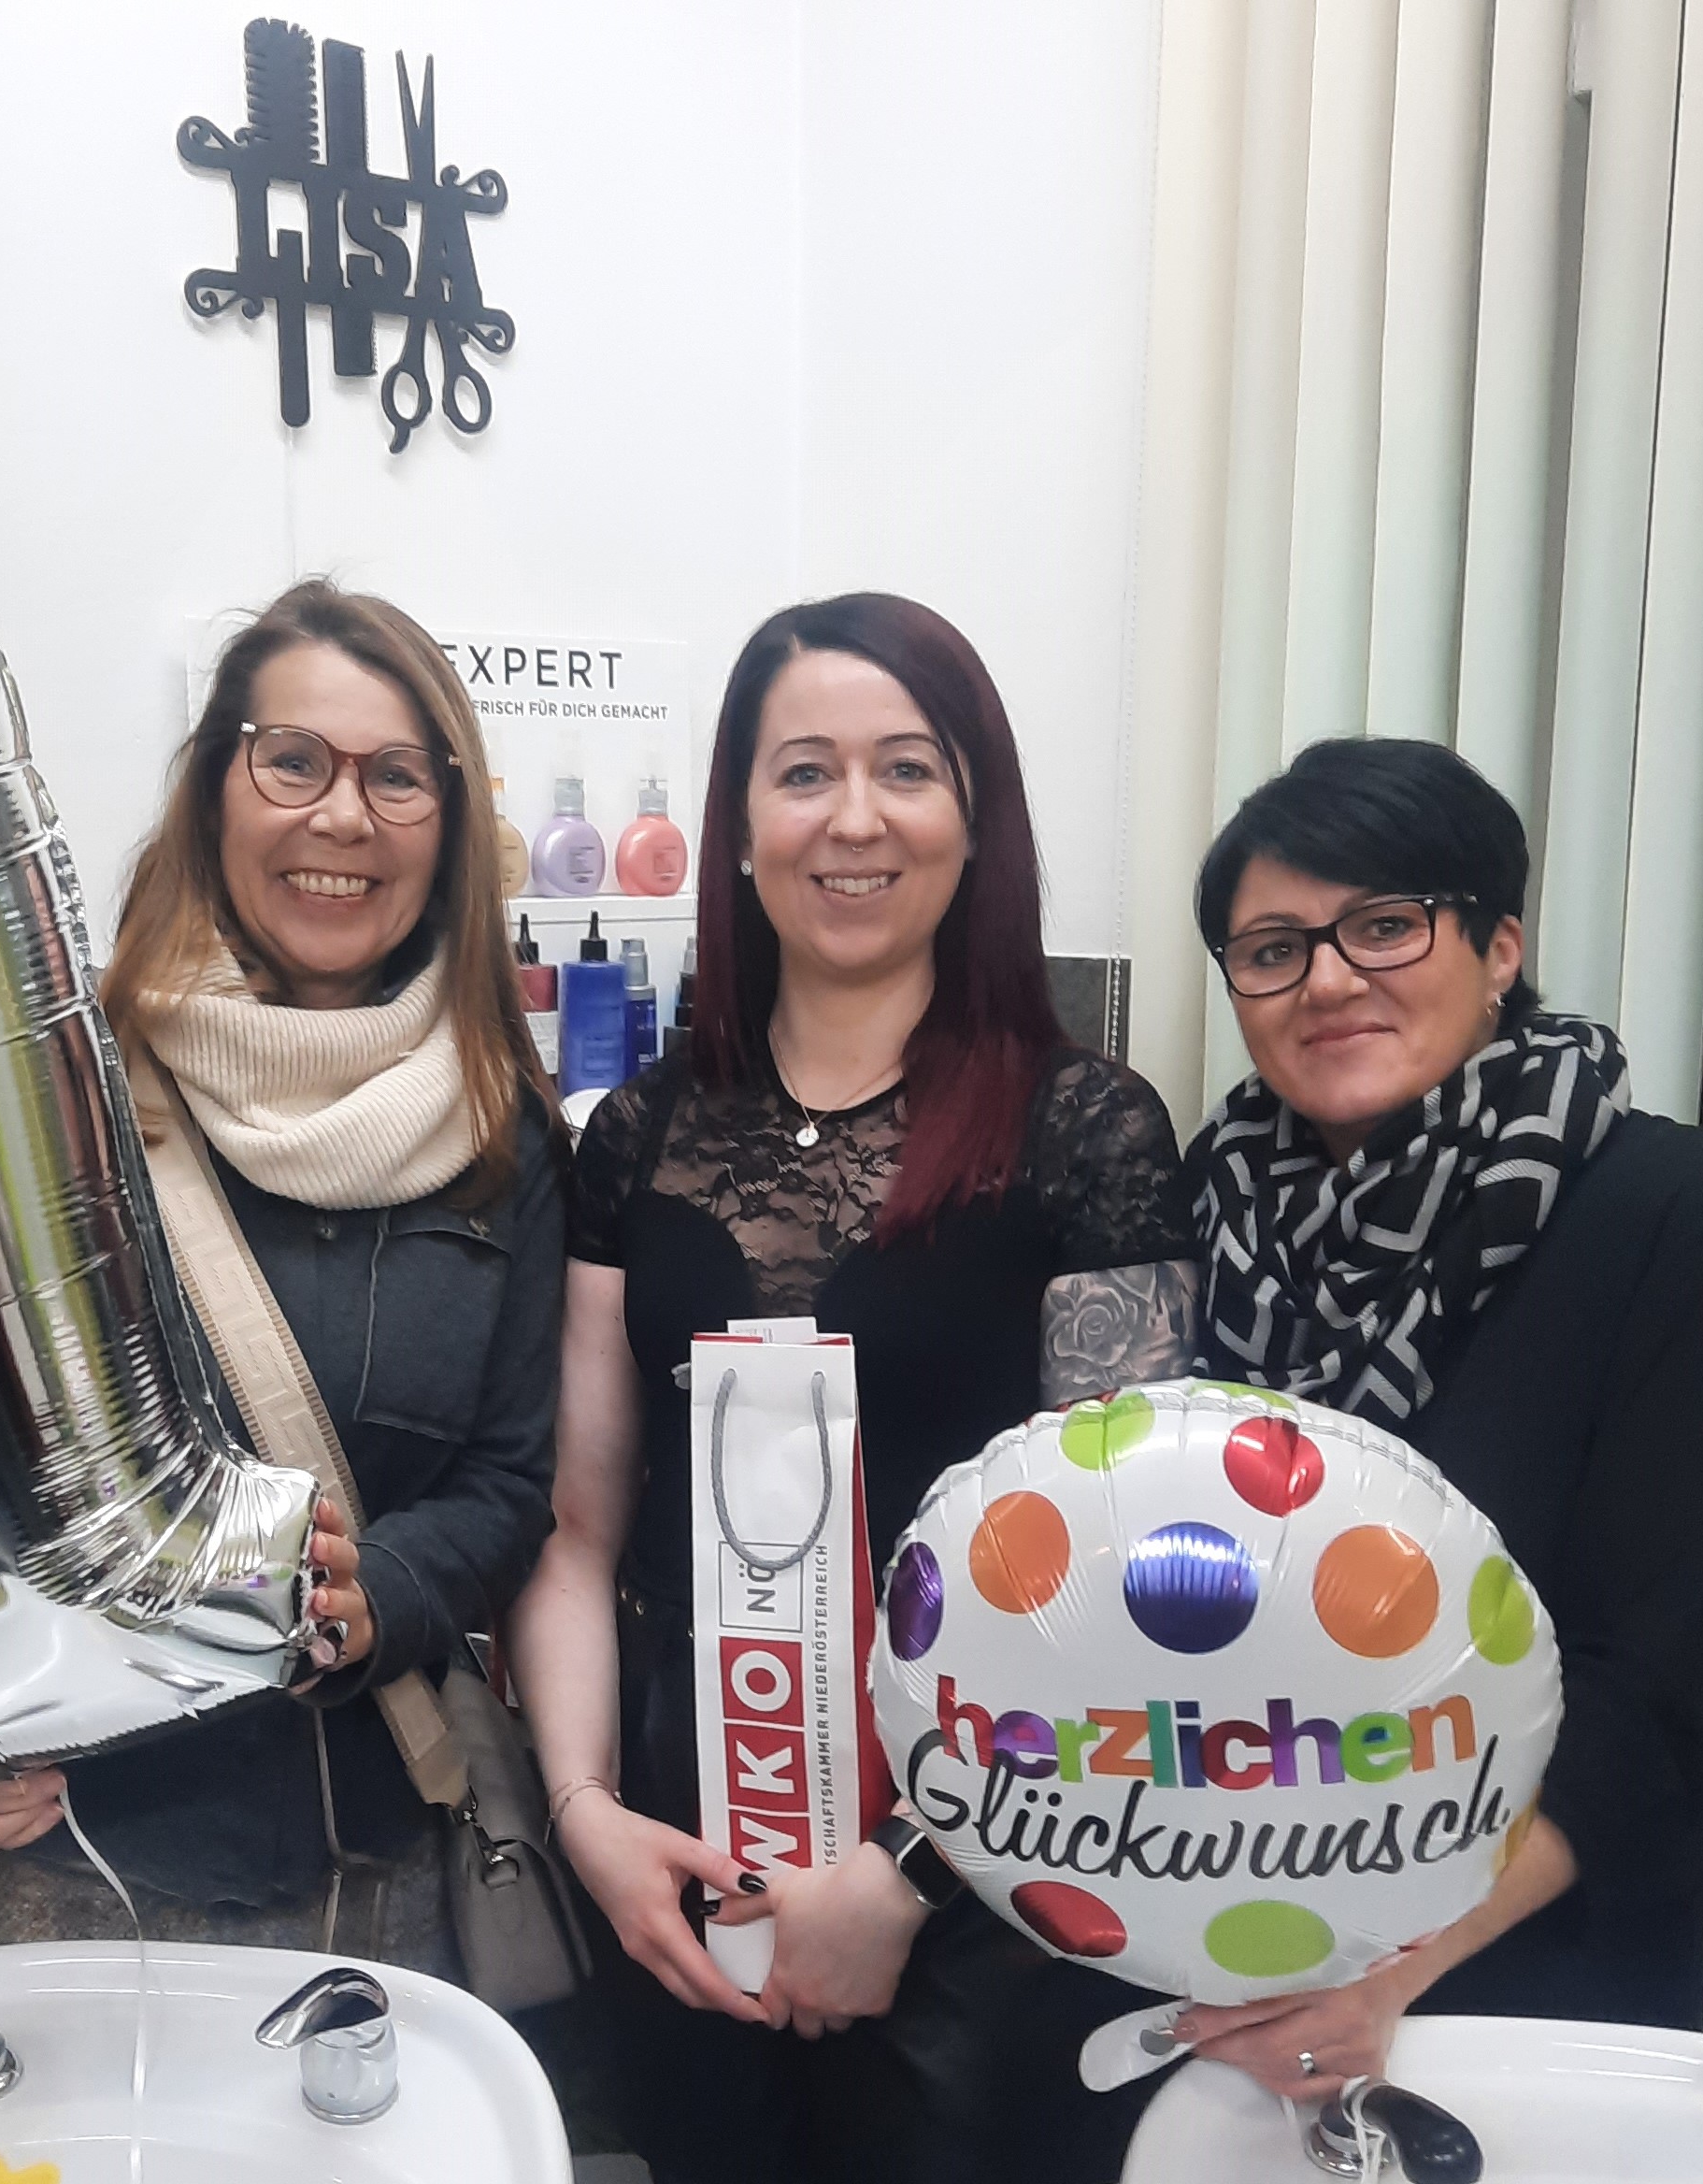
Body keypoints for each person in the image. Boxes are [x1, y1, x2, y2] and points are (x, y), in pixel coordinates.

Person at [506, 594, 1200, 2184]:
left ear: (976, 818)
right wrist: (588, 1814)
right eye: (804, 771)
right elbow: (579, 1527)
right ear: (742, 823)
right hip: (686, 1853)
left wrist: (905, 1876)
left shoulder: (1089, 1132)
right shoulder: (637, 1136)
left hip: (991, 1879)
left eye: (907, 768)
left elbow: (1130, 1575)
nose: (855, 818)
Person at [0, 580, 565, 1976]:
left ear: (450, 826)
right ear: (213, 791)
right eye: (292, 760)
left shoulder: (505, 1135)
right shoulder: (51, 1098)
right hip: (43, 1858)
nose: (342, 818)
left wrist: (384, 1591)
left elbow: (508, 1482)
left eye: (396, 777)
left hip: (360, 1870)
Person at [1174, 737, 1703, 2100]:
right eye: (1273, 949)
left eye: (1384, 927)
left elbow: (1661, 1691)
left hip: (1516, 1987)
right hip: (1223, 1944)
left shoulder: (1677, 1221)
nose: (1326, 980)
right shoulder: (1209, 1217)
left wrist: (1387, 1967)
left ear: (1500, 947)